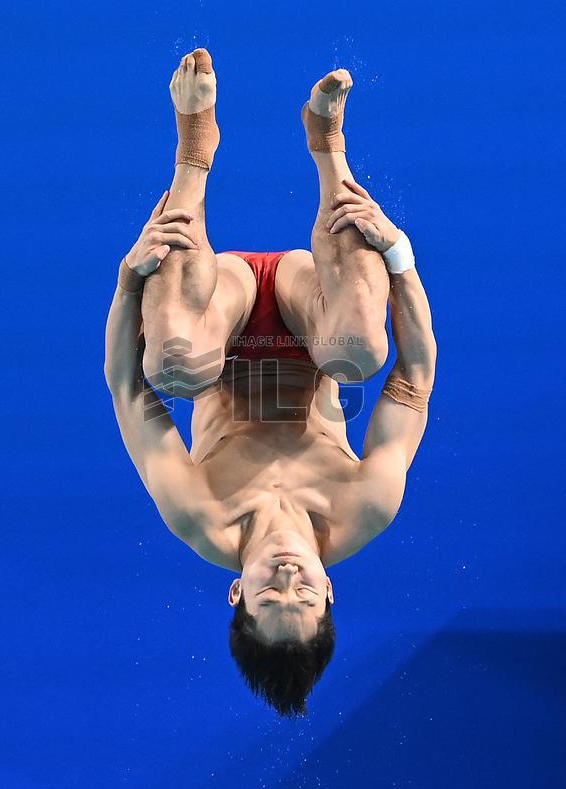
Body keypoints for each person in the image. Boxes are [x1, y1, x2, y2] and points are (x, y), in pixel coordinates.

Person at [104, 48, 437, 717]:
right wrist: (396, 252)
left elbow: (126, 390)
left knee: (169, 364)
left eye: (267, 595)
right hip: (309, 313)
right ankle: (327, 145)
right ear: (329, 590)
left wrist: (129, 276)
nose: (286, 577)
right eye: (304, 595)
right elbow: (412, 381)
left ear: (235, 594)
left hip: (213, 320)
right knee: (362, 354)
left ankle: (194, 148)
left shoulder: (200, 517)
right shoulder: (363, 508)